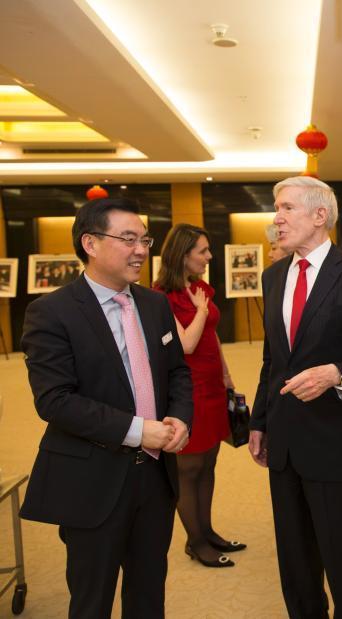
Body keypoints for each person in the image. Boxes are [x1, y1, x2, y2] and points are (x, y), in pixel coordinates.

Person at [19, 197, 192, 618]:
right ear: (90, 243)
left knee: (149, 594)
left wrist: (180, 416)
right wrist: (139, 430)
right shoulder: (51, 312)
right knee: (91, 599)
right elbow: (55, 400)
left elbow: (177, 372)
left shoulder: (154, 304)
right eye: (128, 239)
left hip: (155, 476)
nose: (141, 250)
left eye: (144, 240)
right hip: (92, 480)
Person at [249, 175, 342, 618]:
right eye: (277, 208)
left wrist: (336, 373)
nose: (276, 218)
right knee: (295, 565)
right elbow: (273, 359)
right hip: (284, 443)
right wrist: (259, 422)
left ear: (319, 215)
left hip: (336, 444)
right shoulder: (273, 276)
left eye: (287, 208)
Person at [153, 223, 245, 568]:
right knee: (189, 467)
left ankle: (207, 531)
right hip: (187, 389)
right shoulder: (162, 297)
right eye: (203, 251)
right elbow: (186, 344)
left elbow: (212, 336)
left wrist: (226, 375)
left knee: (208, 462)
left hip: (212, 385)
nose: (209, 257)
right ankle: (195, 542)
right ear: (183, 254)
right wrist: (202, 311)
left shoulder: (200, 287)